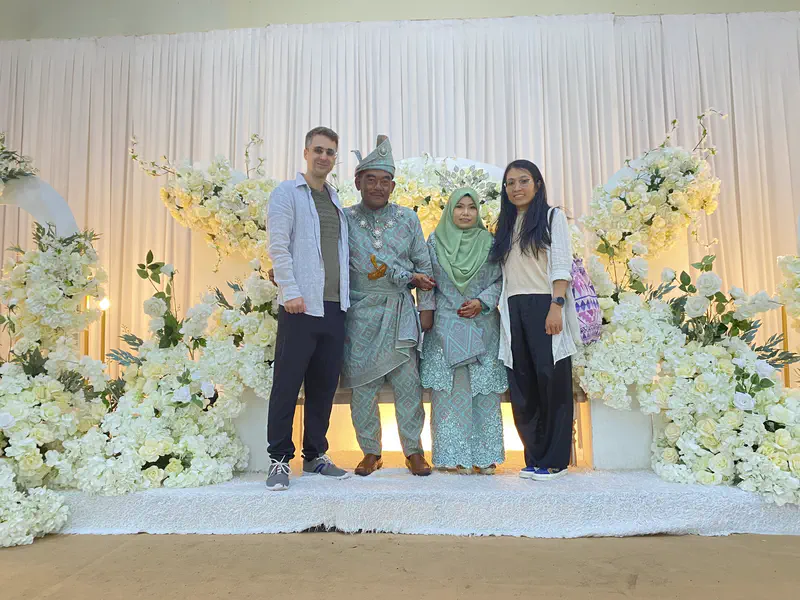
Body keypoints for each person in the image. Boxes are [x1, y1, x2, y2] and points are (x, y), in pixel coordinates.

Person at [341, 135, 436, 477]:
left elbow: (423, 266)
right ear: (358, 183)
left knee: (408, 383)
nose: (378, 187)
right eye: (371, 180)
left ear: (393, 185)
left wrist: (426, 310)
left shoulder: (408, 219)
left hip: (399, 312)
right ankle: (370, 451)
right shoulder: (345, 219)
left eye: (385, 181)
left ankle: (413, 451)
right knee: (363, 386)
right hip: (360, 312)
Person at [264, 126, 352, 491]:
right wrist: (290, 291)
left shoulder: (335, 200)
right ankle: (279, 460)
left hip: (334, 306)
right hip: (300, 306)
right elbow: (278, 247)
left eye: (330, 152)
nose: (324, 157)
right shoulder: (287, 194)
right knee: (287, 385)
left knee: (323, 386)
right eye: (318, 150)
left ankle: (315, 455)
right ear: (305, 152)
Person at [490, 160, 581, 481]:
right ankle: (534, 456)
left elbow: (561, 264)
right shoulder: (504, 223)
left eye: (523, 181)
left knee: (552, 381)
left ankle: (555, 460)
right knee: (523, 384)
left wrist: (556, 305)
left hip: (544, 303)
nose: (516, 188)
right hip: (512, 309)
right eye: (510, 183)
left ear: (538, 184)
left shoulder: (552, 217)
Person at [417, 188, 507, 474]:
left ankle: (484, 456)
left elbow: (501, 280)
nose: (466, 213)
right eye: (460, 207)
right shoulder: (434, 242)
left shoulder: (491, 243)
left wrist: (482, 302)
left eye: (471, 207)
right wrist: (429, 315)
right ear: (450, 211)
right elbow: (427, 281)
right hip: (446, 326)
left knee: (482, 390)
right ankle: (450, 454)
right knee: (449, 391)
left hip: (482, 326)